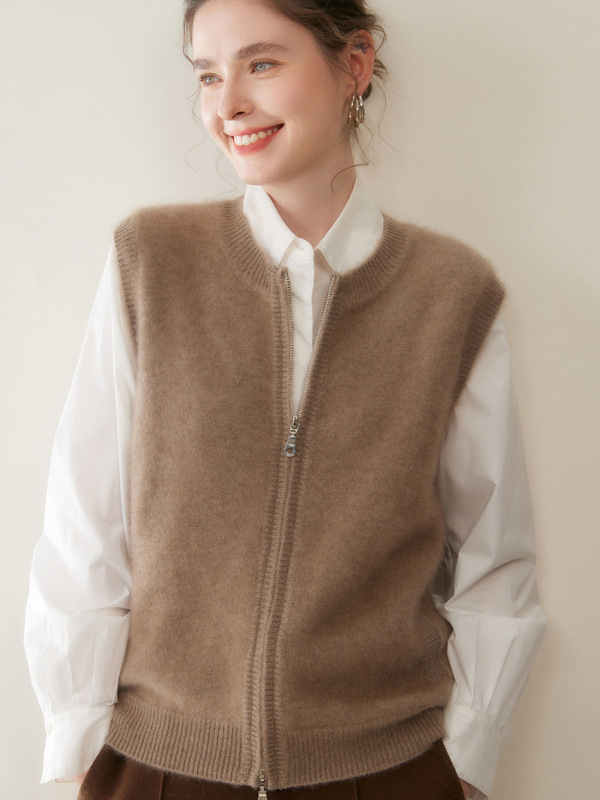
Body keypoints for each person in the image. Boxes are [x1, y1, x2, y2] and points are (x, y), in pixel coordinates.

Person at [24, 1, 546, 799]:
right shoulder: (152, 263)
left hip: (386, 770)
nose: (227, 104)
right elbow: (85, 526)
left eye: (261, 64)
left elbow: (494, 554)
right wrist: (75, 739)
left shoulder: (451, 294)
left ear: (354, 65)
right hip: (160, 767)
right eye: (208, 75)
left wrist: (469, 757)